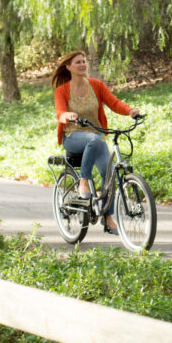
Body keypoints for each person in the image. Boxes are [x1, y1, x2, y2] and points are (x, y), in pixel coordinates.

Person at [52, 50, 141, 235]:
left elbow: (114, 103)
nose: (82, 64)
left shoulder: (96, 85)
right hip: (73, 136)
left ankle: (108, 218)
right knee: (93, 139)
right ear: (68, 67)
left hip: (96, 137)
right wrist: (68, 115)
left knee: (109, 174)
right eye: (78, 62)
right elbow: (60, 113)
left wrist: (130, 110)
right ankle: (84, 180)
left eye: (84, 61)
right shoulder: (62, 90)